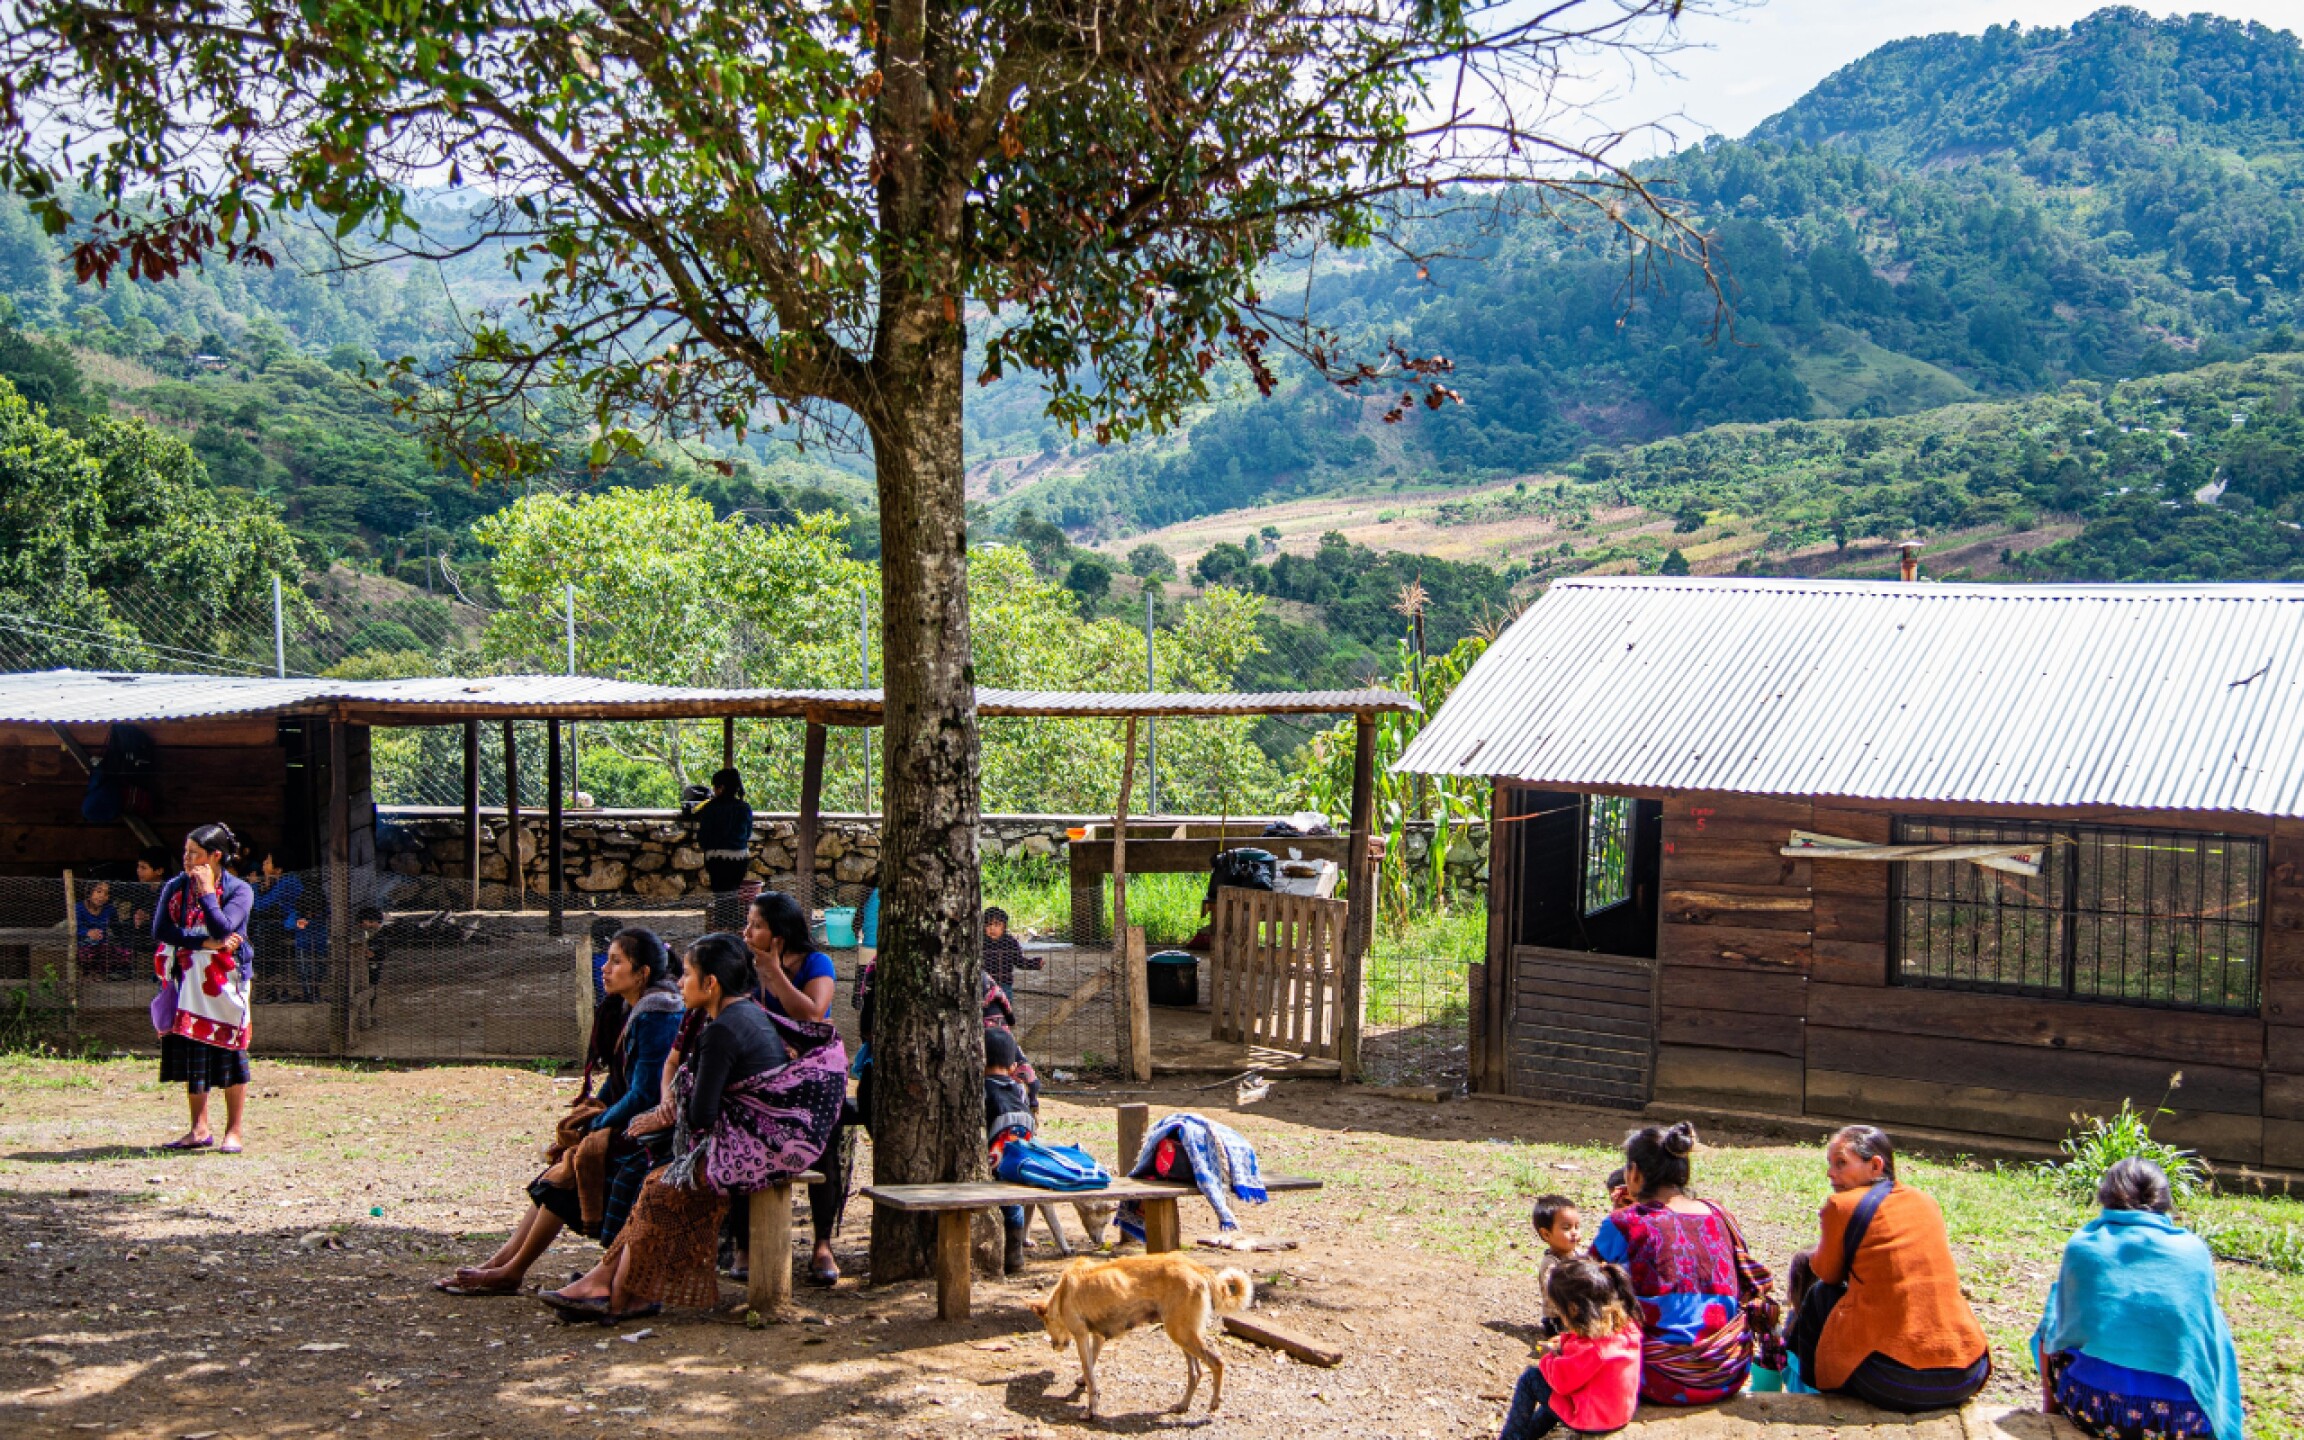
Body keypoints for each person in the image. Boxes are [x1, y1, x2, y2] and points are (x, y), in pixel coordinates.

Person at [541, 932, 844, 1323]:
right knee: (658, 1184)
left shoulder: (722, 1029)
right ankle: (613, 1287)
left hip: (760, 1149)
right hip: (761, 1141)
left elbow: (701, 1114)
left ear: (711, 983)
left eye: (686, 974)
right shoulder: (742, 1014)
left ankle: (616, 1290)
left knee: (661, 1187)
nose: (680, 983)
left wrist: (664, 1113)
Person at [435, 928, 682, 1295]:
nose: (605, 969)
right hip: (636, 1123)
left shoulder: (659, 1013)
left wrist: (597, 1123)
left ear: (642, 973)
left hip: (657, 1133)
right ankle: (503, 1262)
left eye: (617, 961)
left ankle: (511, 1269)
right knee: (566, 1164)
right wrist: (589, 1114)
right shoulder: (631, 1007)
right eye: (607, 959)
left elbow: (645, 1093)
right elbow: (618, 1082)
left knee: (575, 1166)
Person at [2033, 1159, 2244, 1440]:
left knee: (2055, 1310)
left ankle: (2052, 1411)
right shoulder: (2193, 1250)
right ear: (2164, 1201)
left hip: (2094, 1411)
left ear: (2106, 1196)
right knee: (2212, 1321)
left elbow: (2060, 1334)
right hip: (2181, 1422)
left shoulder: (2083, 1245)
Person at [1787, 1125, 1991, 1413]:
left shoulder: (1841, 1205)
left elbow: (1827, 1273)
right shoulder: (1926, 1201)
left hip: (1897, 1383)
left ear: (1875, 1165)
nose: (1831, 1174)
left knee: (1820, 1293)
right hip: (1966, 1373)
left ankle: (1807, 1391)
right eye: (1830, 1165)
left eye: (1841, 1163)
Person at [1590, 1121, 1779, 1406]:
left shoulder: (1625, 1222)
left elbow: (1583, 1281)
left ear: (1634, 1173)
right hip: (1727, 1373)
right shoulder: (1718, 1214)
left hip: (1656, 1379)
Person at [740, 889, 845, 1284]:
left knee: (824, 1146)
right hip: (761, 1072)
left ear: (779, 934)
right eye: (748, 923)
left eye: (757, 925)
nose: (747, 931)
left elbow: (813, 1014)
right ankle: (744, 1243)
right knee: (740, 1135)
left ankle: (822, 1244)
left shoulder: (817, 963)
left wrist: (774, 972)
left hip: (812, 1077)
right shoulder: (743, 964)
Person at [151, 822, 257, 1154]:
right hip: (187, 980)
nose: (186, 858)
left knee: (230, 1048)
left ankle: (234, 1131)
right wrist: (203, 943)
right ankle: (198, 1129)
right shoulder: (174, 887)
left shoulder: (240, 890)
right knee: (193, 1051)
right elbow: (161, 930)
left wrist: (209, 894)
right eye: (185, 851)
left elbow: (225, 929)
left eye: (194, 853)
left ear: (215, 856)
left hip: (228, 982)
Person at [1496, 1257, 1644, 1440]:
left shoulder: (1592, 1350)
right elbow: (1582, 1346)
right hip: (1618, 1415)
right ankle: (1529, 1434)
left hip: (1592, 1421)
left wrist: (1549, 1357)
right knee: (1552, 1399)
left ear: (1573, 1310)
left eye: (1560, 1310)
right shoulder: (1626, 1329)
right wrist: (1565, 1342)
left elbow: (1560, 1383)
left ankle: (1510, 1437)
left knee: (1532, 1378)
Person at [986, 1025, 1037, 1274]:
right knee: (1013, 1206)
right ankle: (1014, 1255)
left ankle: (1006, 1256)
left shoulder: (984, 1090)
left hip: (991, 1162)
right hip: (1020, 1161)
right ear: (1014, 1066)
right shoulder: (1019, 1090)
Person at [249, 850, 323, 1003]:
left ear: (278, 869)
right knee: (261, 928)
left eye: (268, 861)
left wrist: (255, 886)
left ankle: (268, 985)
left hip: (300, 925)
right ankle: (271, 986)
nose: (264, 864)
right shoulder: (284, 880)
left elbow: (260, 905)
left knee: (262, 931)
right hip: (291, 923)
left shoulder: (287, 882)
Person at [686, 767, 754, 930]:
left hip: (716, 859)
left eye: (715, 787)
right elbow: (747, 834)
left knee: (721, 894)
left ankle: (723, 924)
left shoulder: (710, 808)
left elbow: (703, 838)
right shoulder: (744, 808)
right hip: (739, 858)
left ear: (721, 788)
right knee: (733, 891)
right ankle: (734, 924)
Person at [1530, 1193, 1581, 1337]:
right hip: (1558, 1318)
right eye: (1566, 1228)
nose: (1574, 1233)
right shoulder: (1551, 1263)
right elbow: (1553, 1294)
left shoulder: (1578, 1254)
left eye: (1577, 1227)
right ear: (1546, 1234)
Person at [982, 906, 1041, 997]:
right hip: (984, 985)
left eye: (997, 924)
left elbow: (1019, 961)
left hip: (1004, 986)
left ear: (1004, 926)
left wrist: (1034, 963)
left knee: (1004, 1008)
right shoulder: (980, 943)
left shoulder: (1010, 942)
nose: (992, 928)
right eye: (989, 925)